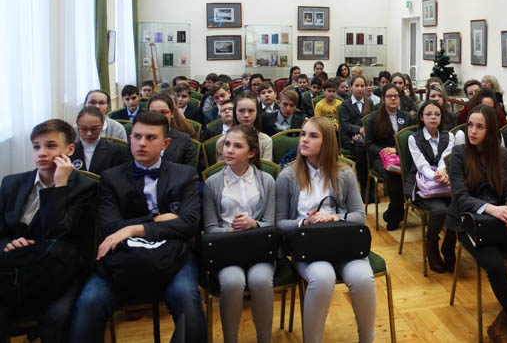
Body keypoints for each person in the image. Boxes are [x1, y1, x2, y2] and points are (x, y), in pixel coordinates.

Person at [69, 111, 206, 343]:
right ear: (130, 138)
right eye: (137, 136)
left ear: (165, 143)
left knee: (190, 310)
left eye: (150, 138)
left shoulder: (184, 175)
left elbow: (190, 224)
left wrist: (131, 229)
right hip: (122, 257)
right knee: (88, 305)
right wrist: (155, 220)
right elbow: (109, 228)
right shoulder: (111, 178)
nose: (141, 143)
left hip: (174, 256)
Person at [446, 105, 507, 343]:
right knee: (496, 265)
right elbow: (461, 197)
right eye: (470, 125)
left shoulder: (502, 154)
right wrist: (492, 209)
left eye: (480, 127)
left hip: (503, 221)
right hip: (471, 223)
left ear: (490, 131)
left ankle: (503, 324)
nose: (472, 131)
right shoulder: (459, 154)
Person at [275, 117, 375, 343]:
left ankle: (367, 340)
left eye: (312, 136)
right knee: (322, 278)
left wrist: (333, 217)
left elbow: (359, 216)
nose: (304, 140)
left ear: (327, 142)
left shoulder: (345, 173)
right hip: (307, 246)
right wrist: (304, 223)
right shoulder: (287, 176)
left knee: (362, 278)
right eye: (303, 134)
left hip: (342, 241)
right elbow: (279, 223)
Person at [0, 120, 97, 343]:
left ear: (69, 150)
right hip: (14, 268)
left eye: (50, 146)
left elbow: (59, 232)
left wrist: (59, 186)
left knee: (56, 316)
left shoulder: (85, 188)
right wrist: (8, 244)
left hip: (57, 271)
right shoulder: (12, 184)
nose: (41, 153)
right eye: (36, 146)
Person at [203, 125, 276, 343]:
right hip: (227, 249)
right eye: (227, 144)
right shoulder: (212, 183)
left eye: (237, 146)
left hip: (258, 248)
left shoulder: (267, 181)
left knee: (261, 280)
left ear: (251, 152)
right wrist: (231, 230)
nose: (229, 150)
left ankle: (264, 339)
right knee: (232, 282)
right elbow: (210, 228)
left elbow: (271, 224)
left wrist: (254, 224)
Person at [405, 100, 456, 273]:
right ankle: (432, 247)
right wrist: (435, 176)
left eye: (437, 114)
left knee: (458, 207)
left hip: (444, 182)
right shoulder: (414, 138)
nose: (433, 117)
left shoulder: (449, 137)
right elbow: (421, 164)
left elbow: (445, 159)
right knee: (440, 210)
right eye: (428, 114)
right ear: (421, 117)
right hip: (423, 184)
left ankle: (448, 246)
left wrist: (442, 171)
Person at [365, 85, 412, 231]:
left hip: (401, 154)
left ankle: (393, 211)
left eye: (395, 96)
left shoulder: (407, 117)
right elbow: (369, 144)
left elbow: (411, 139)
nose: (393, 99)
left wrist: (396, 150)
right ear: (383, 99)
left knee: (409, 172)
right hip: (381, 156)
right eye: (389, 96)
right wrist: (384, 151)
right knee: (393, 175)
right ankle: (398, 214)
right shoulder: (374, 117)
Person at [339, 75, 373, 200]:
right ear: (351, 87)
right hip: (350, 138)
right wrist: (359, 129)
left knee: (372, 149)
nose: (359, 89)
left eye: (362, 86)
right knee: (361, 151)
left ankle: (372, 187)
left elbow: (372, 120)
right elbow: (345, 124)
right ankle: (364, 187)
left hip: (366, 137)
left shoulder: (369, 102)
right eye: (356, 85)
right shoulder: (345, 104)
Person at [215, 92, 273, 162]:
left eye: (251, 111)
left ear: (257, 112)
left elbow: (266, 167)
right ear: (235, 112)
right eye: (241, 111)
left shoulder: (265, 141)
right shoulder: (222, 141)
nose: (246, 115)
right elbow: (222, 167)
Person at [72, 106, 130, 174]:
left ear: (102, 126)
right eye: (84, 129)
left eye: (94, 129)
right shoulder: (69, 150)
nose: (89, 133)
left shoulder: (115, 151)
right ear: (78, 127)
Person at [147, 93, 197, 167]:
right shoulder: (137, 138)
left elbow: (189, 171)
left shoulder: (184, 140)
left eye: (163, 112)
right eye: (153, 113)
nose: (158, 117)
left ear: (172, 113)